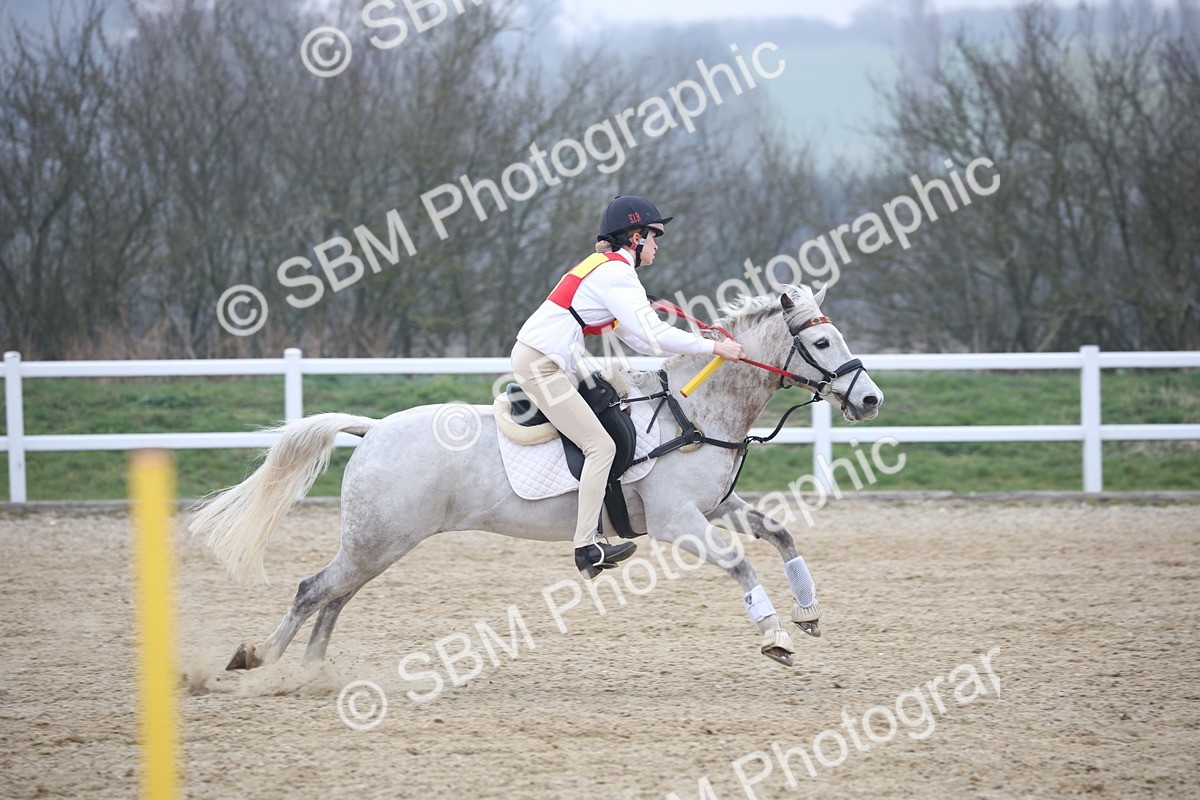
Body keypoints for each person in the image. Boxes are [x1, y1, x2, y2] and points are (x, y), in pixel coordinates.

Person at [511, 195, 746, 578]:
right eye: (654, 237)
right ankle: (586, 547)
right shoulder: (617, 274)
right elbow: (653, 335)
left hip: (550, 361)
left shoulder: (610, 271)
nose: (657, 246)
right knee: (600, 446)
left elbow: (638, 341)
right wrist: (713, 347)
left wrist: (699, 346)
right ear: (635, 237)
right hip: (543, 366)